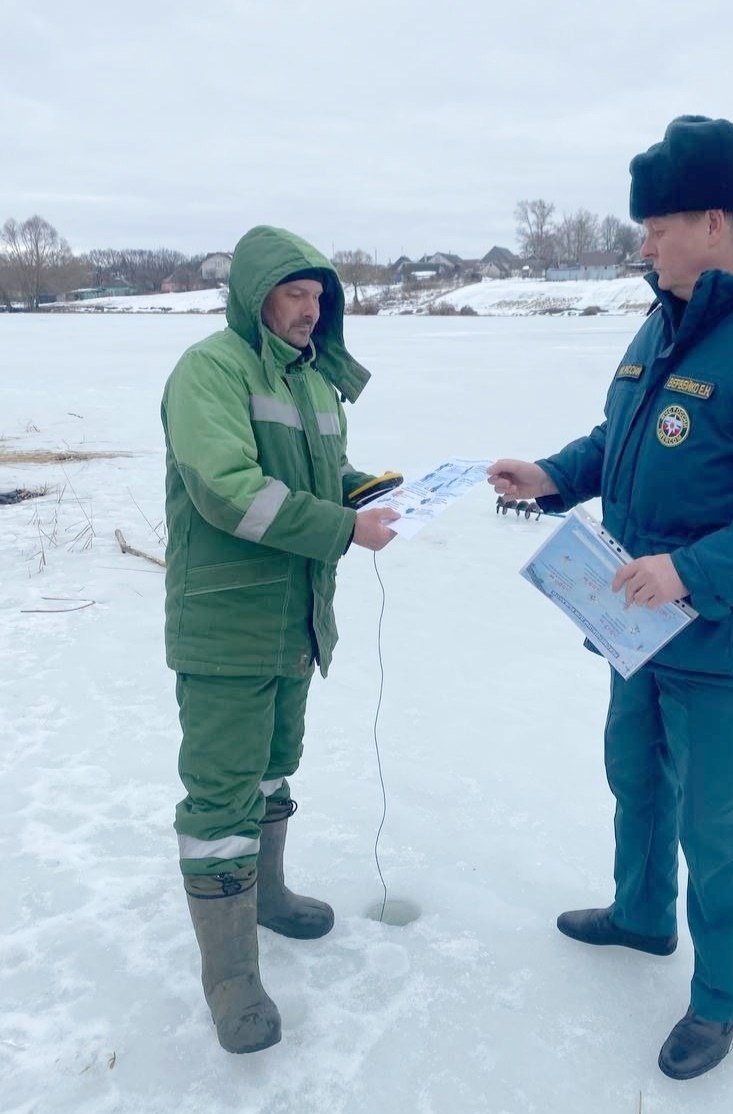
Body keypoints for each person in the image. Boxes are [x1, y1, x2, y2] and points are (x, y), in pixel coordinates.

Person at [488, 116, 733, 1080]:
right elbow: (620, 438)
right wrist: (553, 475)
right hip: (634, 622)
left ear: (712, 222)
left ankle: (718, 998)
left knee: (716, 823)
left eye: (656, 227)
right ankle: (640, 914)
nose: (644, 245)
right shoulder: (666, 316)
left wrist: (692, 572)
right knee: (634, 775)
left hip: (724, 637)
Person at [161, 224, 400, 1054]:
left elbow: (311, 479)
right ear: (254, 297)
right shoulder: (210, 370)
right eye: (293, 294)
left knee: (271, 767)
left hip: (296, 620)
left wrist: (361, 491)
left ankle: (265, 896)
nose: (309, 311)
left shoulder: (313, 382)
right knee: (220, 796)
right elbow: (230, 490)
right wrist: (341, 528)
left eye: (318, 297)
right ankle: (230, 978)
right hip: (227, 625)